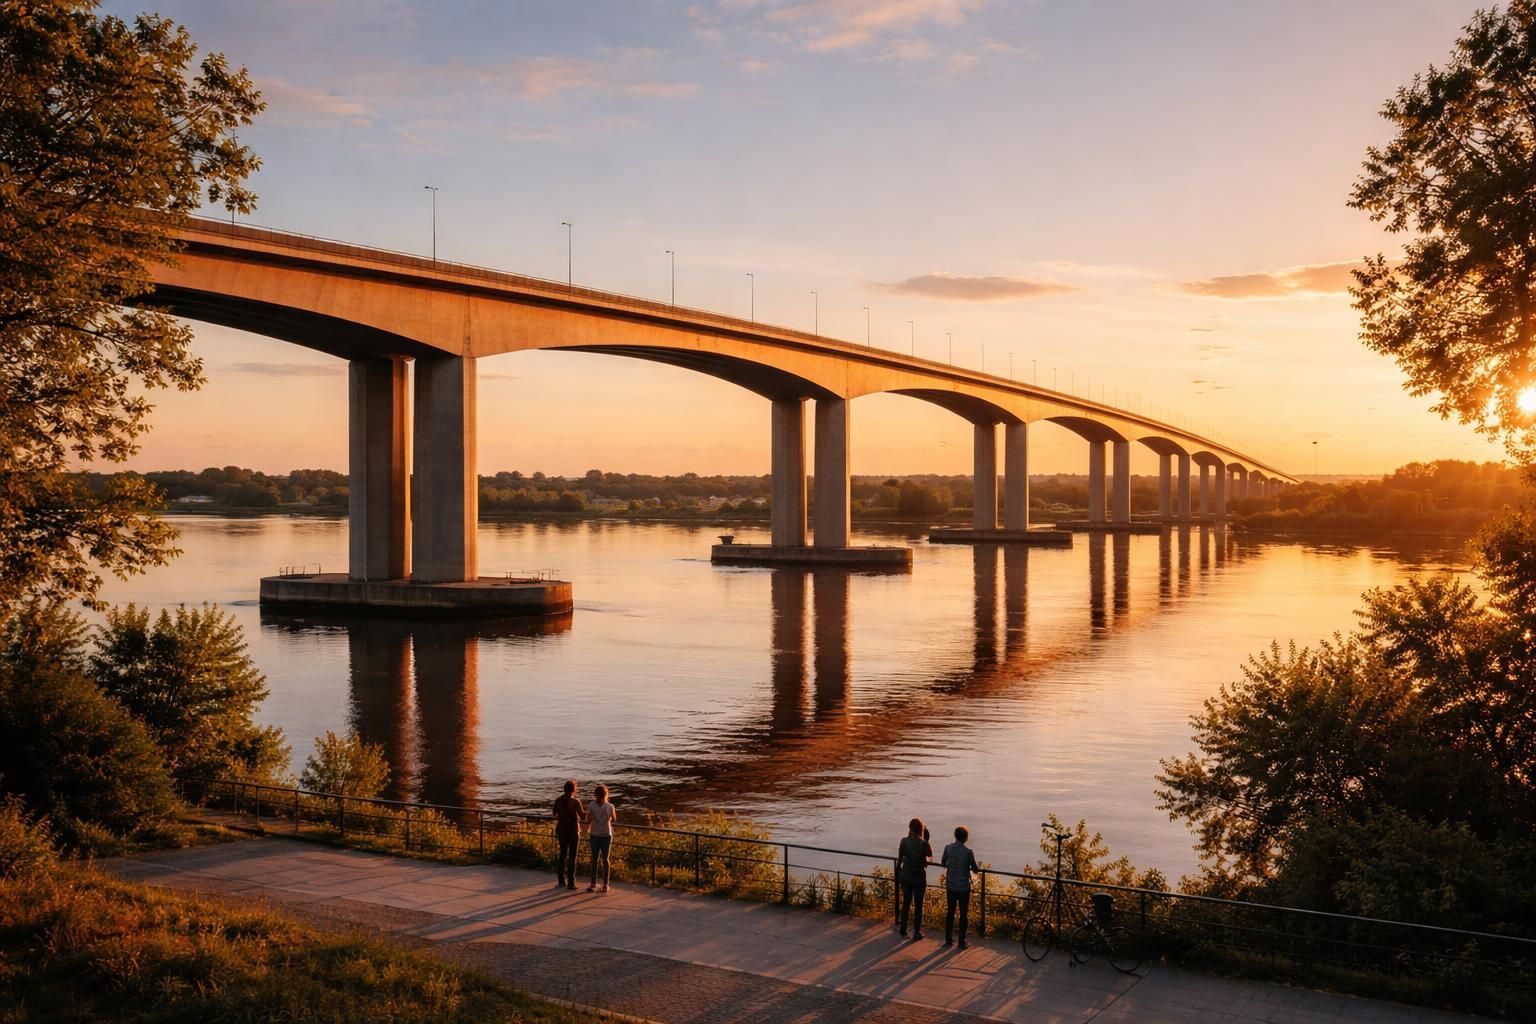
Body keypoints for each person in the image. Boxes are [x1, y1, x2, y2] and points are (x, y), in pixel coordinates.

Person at [939, 825, 980, 949]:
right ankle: (961, 942)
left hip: (951, 885)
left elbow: (943, 862)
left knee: (950, 913)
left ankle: (948, 940)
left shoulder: (948, 848)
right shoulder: (968, 852)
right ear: (966, 838)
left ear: (955, 836)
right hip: (963, 887)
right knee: (963, 915)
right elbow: (975, 869)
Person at [895, 817, 933, 939]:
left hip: (905, 876)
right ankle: (917, 931)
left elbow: (900, 859)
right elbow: (929, 854)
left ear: (910, 828)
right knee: (918, 904)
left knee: (906, 902)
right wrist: (926, 839)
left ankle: (903, 927)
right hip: (919, 878)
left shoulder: (904, 841)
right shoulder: (924, 843)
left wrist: (897, 874)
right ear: (921, 829)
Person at [551, 780, 586, 890]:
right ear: (574, 790)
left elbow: (554, 813)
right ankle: (571, 882)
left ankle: (561, 881)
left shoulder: (558, 800)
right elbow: (583, 816)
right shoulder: (576, 802)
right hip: (574, 831)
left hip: (562, 830)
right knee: (572, 857)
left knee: (562, 855)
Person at [586, 783, 618, 893]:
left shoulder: (591, 805)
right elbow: (613, 819)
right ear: (606, 794)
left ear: (595, 795)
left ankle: (593, 883)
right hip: (606, 834)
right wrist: (607, 817)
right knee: (605, 859)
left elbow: (588, 820)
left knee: (594, 859)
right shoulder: (610, 806)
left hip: (594, 834)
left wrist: (592, 817)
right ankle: (605, 884)